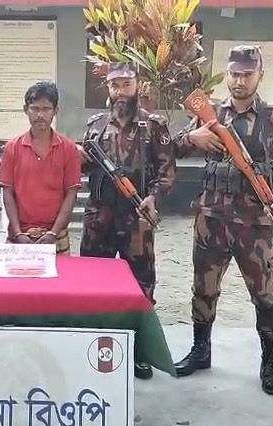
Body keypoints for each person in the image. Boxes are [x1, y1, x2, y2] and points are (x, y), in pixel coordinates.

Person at [172, 45, 273, 395]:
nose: (239, 81)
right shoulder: (211, 113)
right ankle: (201, 351)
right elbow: (172, 148)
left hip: (255, 225)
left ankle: (269, 363)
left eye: (247, 74)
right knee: (203, 290)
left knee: (265, 296)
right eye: (234, 74)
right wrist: (193, 136)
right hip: (211, 221)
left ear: (260, 75)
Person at [81, 62, 176, 379]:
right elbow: (84, 166)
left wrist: (154, 198)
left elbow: (166, 171)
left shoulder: (153, 125)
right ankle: (95, 347)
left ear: (137, 85)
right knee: (93, 286)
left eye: (126, 84)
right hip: (99, 219)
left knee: (140, 287)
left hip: (136, 217)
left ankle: (139, 352)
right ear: (108, 88)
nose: (120, 91)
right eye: (115, 85)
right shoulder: (96, 125)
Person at [0, 81, 81, 253]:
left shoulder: (69, 149)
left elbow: (71, 194)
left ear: (55, 111)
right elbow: (7, 192)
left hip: (56, 236)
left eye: (46, 109)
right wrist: (17, 232)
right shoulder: (12, 148)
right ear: (25, 110)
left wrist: (53, 233)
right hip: (19, 236)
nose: (40, 115)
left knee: (60, 272)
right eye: (35, 109)